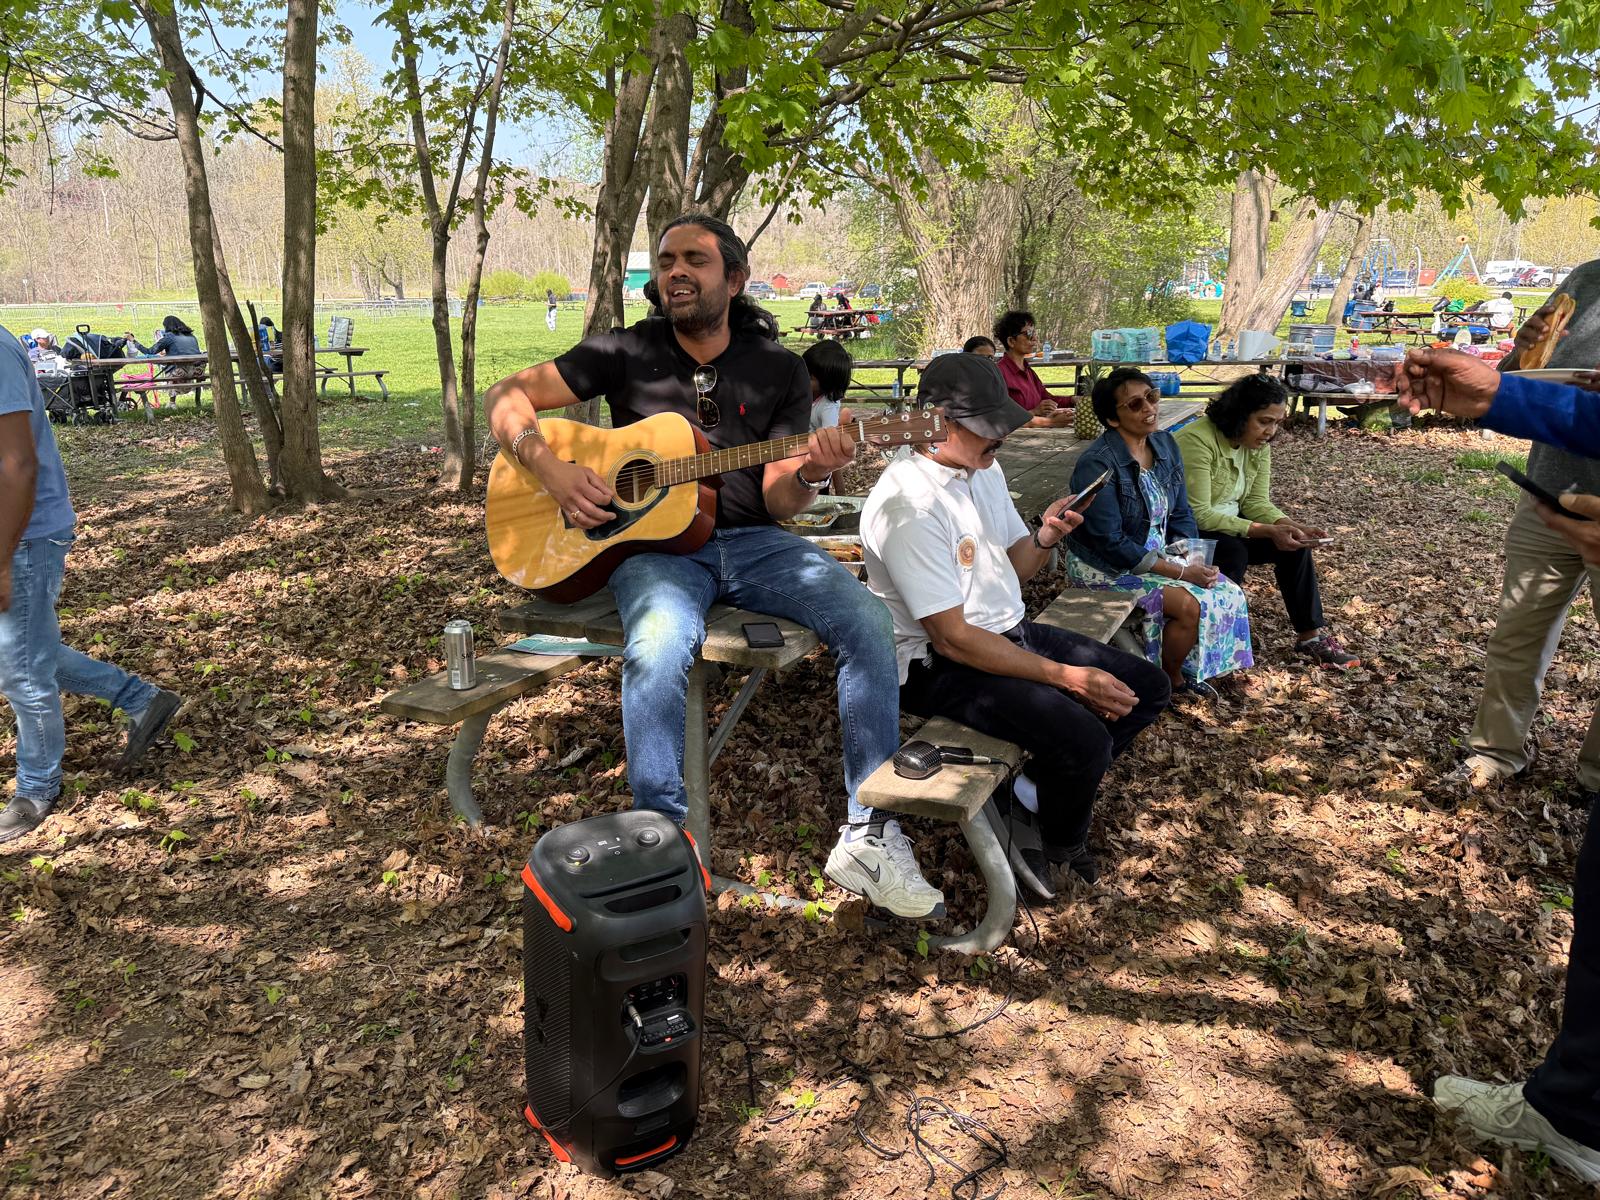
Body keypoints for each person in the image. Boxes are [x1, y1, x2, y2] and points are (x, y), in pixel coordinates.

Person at [482, 213, 947, 918]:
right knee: (659, 644)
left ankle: (870, 832)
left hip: (756, 543)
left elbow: (780, 498)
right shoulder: (623, 351)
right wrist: (547, 467)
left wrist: (816, 474)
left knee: (866, 620)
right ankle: (661, 839)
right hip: (654, 550)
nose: (674, 271)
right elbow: (506, 398)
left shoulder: (780, 371)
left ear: (733, 278)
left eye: (693, 259)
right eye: (665, 260)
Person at [1395, 350, 1600, 1186]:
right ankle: (1576, 1113)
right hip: (1559, 497)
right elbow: (1549, 380)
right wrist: (1509, 392)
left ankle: (1573, 1115)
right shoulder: (1581, 284)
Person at [861, 354, 1169, 900]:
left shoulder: (982, 467)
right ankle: (1062, 840)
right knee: (1084, 738)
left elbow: (1014, 564)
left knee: (1149, 688)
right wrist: (1065, 677)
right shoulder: (907, 504)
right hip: (936, 665)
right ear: (934, 422)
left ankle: (1029, 793)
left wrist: (1047, 536)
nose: (1000, 436)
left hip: (1007, 630)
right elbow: (951, 636)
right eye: (986, 426)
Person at [1419, 261, 1600, 800]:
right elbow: (1518, 383)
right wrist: (1522, 350)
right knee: (1517, 633)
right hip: (1549, 488)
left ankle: (1595, 777)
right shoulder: (1587, 279)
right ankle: (1496, 752)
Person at [0, 326, 182, 844]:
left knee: (21, 670)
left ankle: (37, 789)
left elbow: (17, 463)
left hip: (26, 536)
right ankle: (141, 699)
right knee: (27, 652)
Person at [1064, 367, 1253, 700]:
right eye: (1134, 405)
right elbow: (1110, 542)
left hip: (1157, 553)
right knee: (1190, 605)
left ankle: (1195, 666)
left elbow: (1180, 512)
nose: (1149, 408)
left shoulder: (1164, 443)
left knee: (1226, 591)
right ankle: (1172, 679)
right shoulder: (1097, 464)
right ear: (1112, 420)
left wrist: (1194, 558)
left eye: (1152, 396)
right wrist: (1181, 571)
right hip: (1107, 568)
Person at [1174, 374, 1360, 669]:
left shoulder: (1258, 446)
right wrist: (1267, 530)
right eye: (1264, 421)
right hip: (1186, 532)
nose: (1270, 432)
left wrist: (1290, 525)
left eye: (1276, 423)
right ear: (1238, 414)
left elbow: (1255, 502)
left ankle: (1310, 638)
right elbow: (1198, 512)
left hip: (1232, 523)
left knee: (1295, 546)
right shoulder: (1196, 439)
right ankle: (1209, 642)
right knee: (1234, 551)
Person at [992, 310, 1073, 428]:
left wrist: (1074, 400)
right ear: (1011, 341)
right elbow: (1001, 418)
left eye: (1034, 333)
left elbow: (1048, 398)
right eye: (1028, 334)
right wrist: (1035, 412)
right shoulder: (998, 373)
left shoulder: (1028, 371)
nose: (1034, 338)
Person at [802, 339, 851, 432]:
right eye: (803, 371)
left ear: (826, 383)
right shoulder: (805, 392)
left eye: (810, 378)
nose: (802, 377)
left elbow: (830, 436)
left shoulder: (828, 407)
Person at [123, 315, 200, 359]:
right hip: (197, 370)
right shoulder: (191, 336)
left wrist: (133, 340)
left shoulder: (169, 337)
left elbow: (149, 352)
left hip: (179, 372)